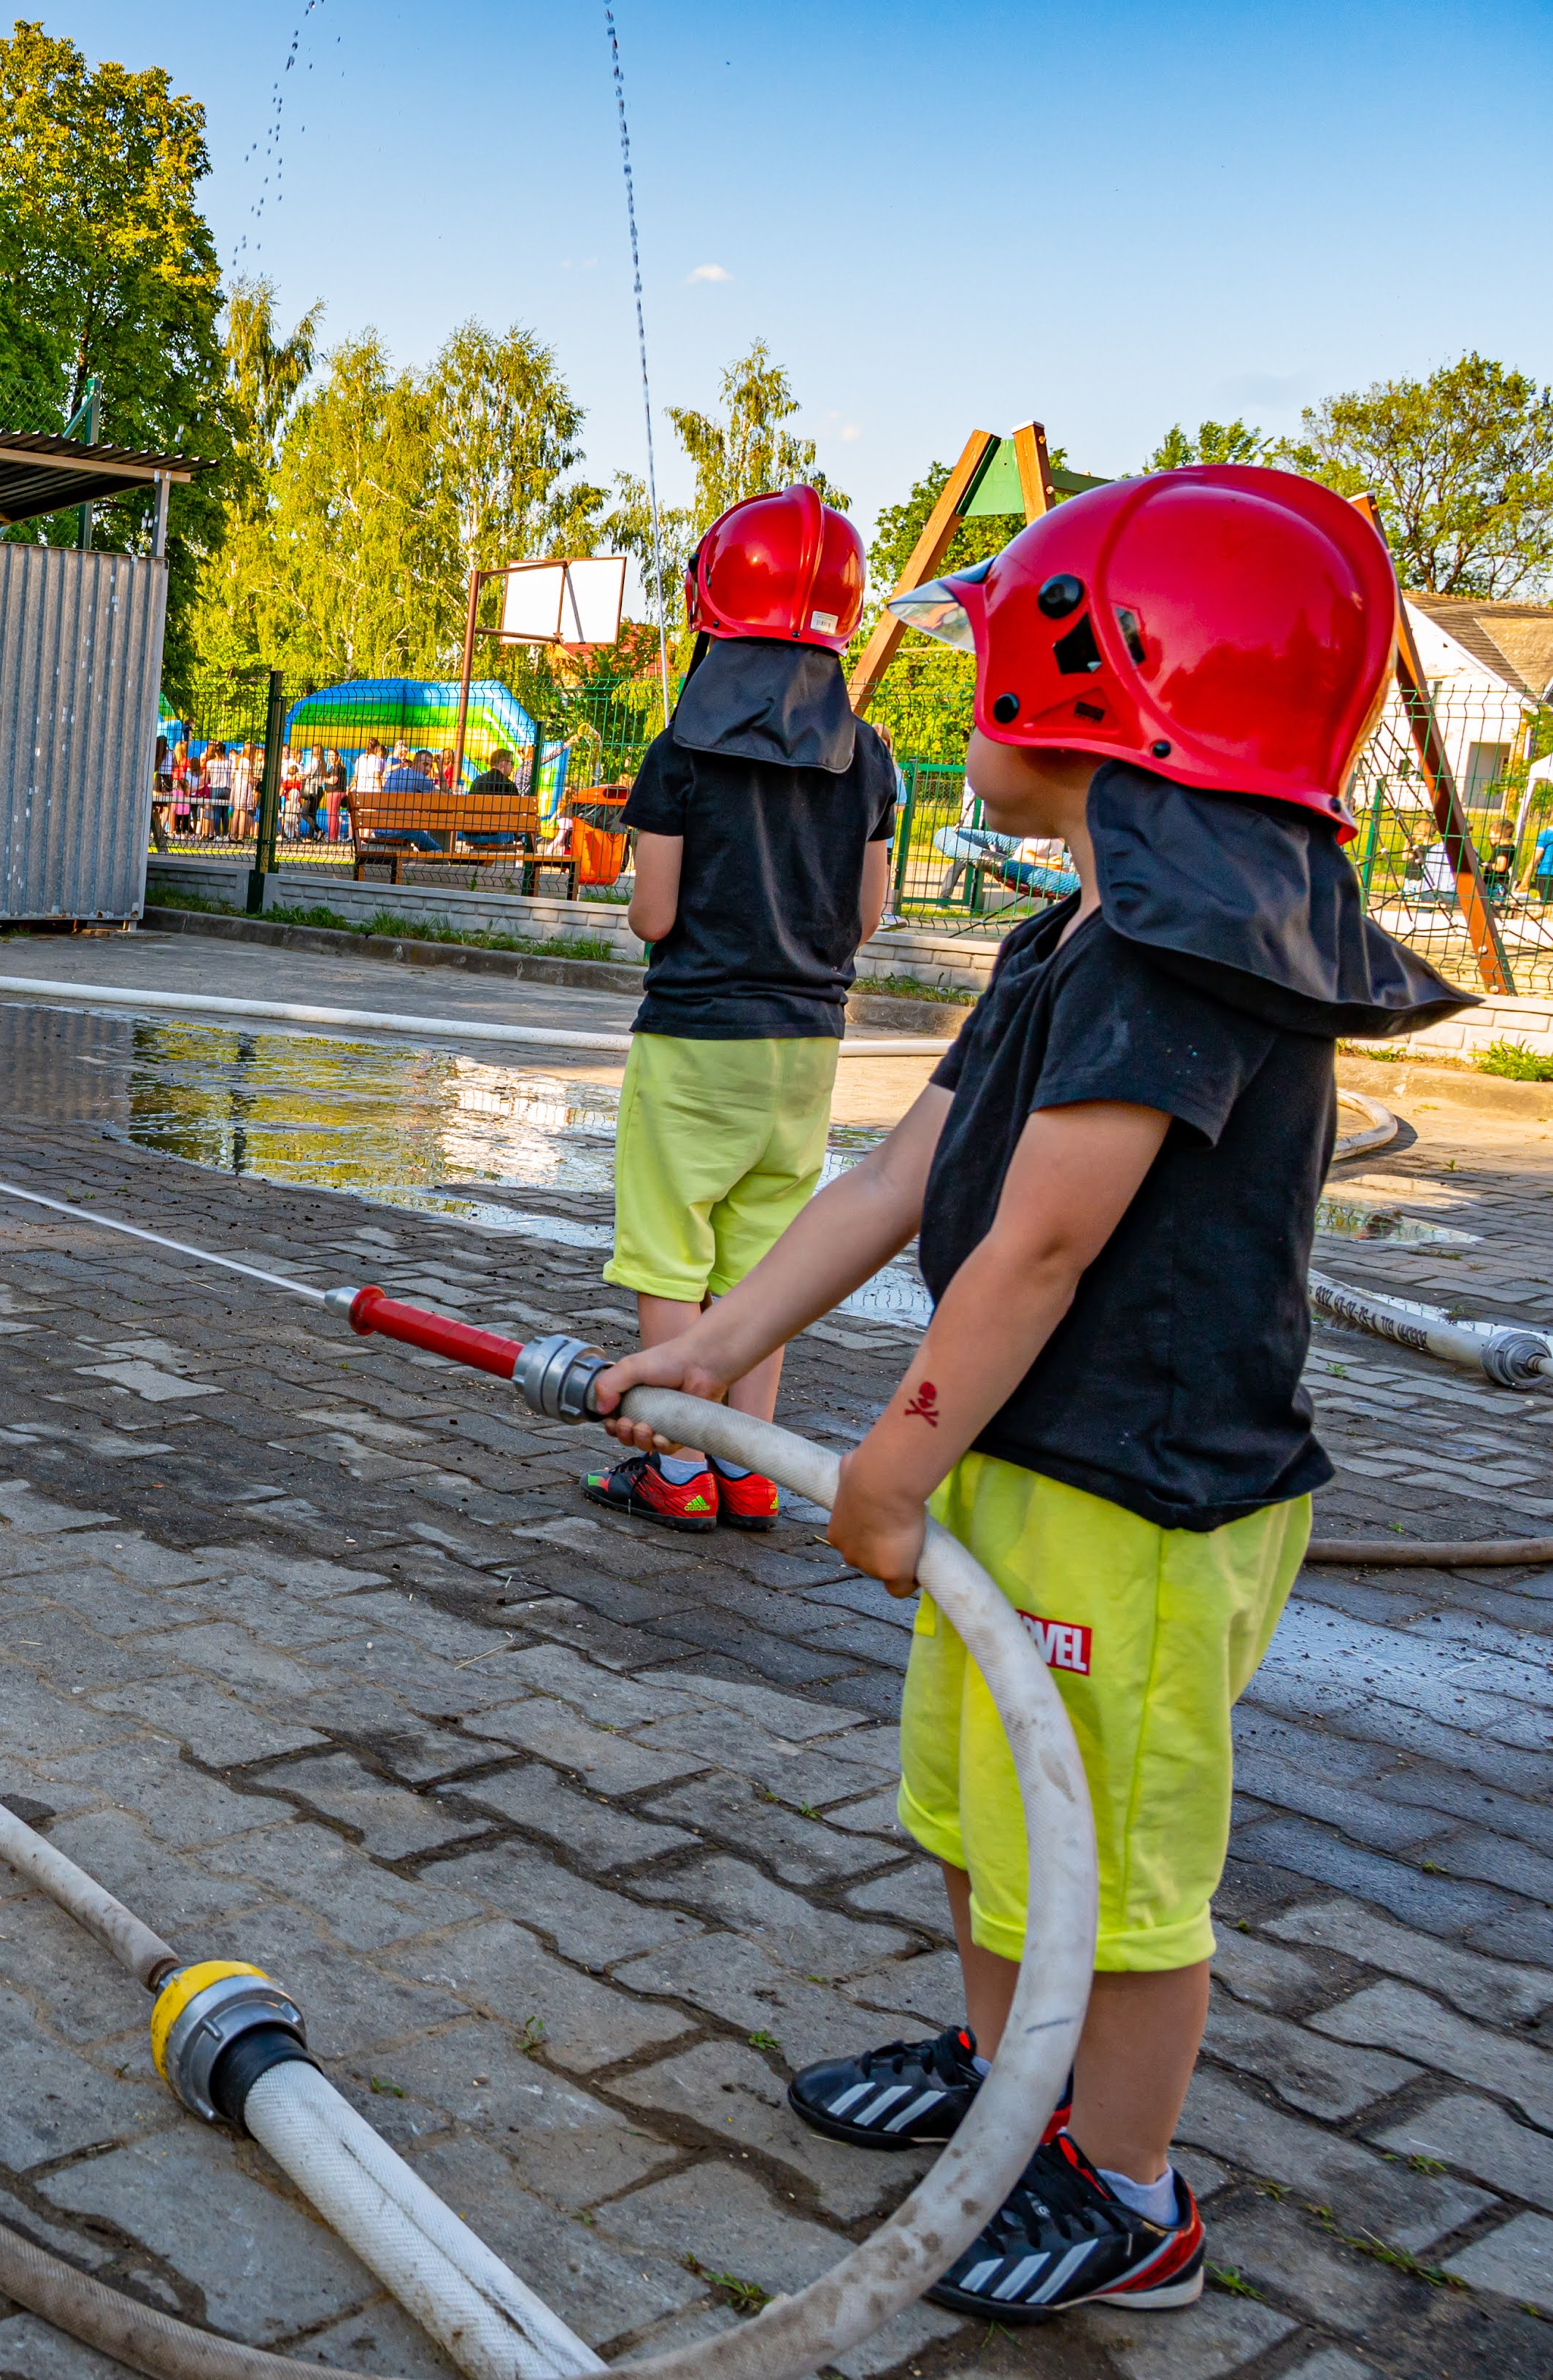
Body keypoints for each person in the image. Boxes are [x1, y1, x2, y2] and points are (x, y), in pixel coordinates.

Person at [591, 465, 1470, 2327]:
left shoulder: (1176, 957)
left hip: (1137, 1494)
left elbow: (1037, 1254)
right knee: (995, 1805)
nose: (964, 685)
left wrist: (886, 1469)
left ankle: (1126, 2192)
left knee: (1116, 1867)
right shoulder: (1069, 934)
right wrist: (709, 1344)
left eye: (992, 649)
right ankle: (1011, 2095)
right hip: (1026, 1453)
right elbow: (898, 1177)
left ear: (1102, 682)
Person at [587, 484, 894, 1534]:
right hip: (805, 1047)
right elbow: (869, 912)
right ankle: (749, 1470)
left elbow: (651, 914)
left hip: (692, 1041)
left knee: (669, 1253)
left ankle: (671, 1468)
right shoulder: (871, 757)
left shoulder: (676, 754)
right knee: (762, 1269)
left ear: (709, 608)